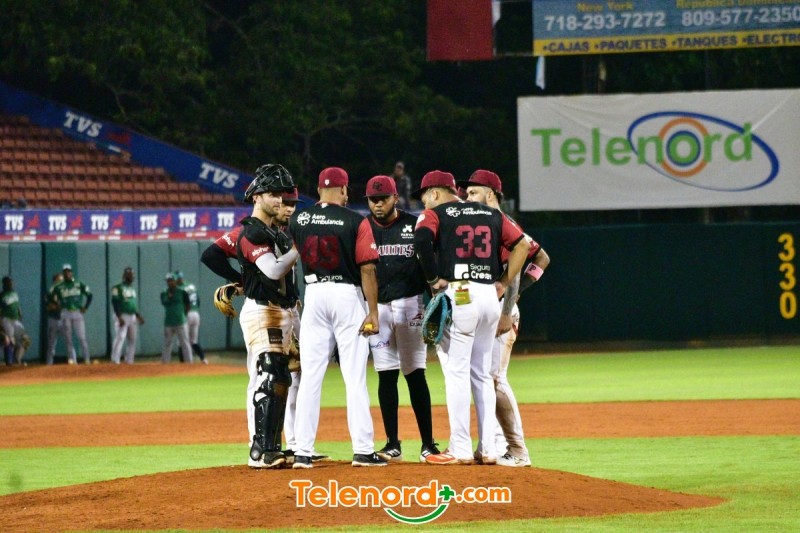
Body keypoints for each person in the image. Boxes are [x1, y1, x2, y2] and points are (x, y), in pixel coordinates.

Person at [412, 170, 530, 465]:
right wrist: (503, 281)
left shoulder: (435, 213)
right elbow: (523, 245)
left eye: (425, 196)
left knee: (456, 373)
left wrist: (433, 279)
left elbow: (422, 240)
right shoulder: (491, 213)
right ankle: (488, 448)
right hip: (489, 296)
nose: (424, 202)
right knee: (482, 374)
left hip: (460, 292)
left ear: (435, 193)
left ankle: (460, 448)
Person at [288, 166, 386, 469]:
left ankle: (302, 451)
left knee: (310, 377)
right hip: (346, 295)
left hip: (314, 294)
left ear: (319, 190)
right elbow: (368, 269)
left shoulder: (298, 219)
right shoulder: (356, 220)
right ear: (343, 190)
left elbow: (295, 257)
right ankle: (363, 450)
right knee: (354, 377)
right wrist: (373, 312)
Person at [461, 170, 550, 467]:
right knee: (484, 378)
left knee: (495, 378)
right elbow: (541, 258)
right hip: (489, 308)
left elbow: (526, 265)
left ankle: (518, 450)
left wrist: (509, 305)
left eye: (473, 192)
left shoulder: (501, 223)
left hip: (501, 312)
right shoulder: (488, 223)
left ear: (490, 194)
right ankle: (496, 445)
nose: (467, 198)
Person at [364, 175, 440, 462]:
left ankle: (428, 444)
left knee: (415, 373)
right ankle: (392, 444)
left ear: (395, 198)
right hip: (378, 308)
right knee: (386, 375)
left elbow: (429, 263)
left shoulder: (414, 224)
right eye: (373, 199)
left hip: (411, 304)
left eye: (383, 198)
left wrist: (435, 298)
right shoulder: (364, 228)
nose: (378, 204)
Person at [235, 164, 301, 469]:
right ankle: (259, 450)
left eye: (281, 194)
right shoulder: (252, 231)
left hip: (280, 310)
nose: (280, 199)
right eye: (273, 194)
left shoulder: (274, 231)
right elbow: (273, 270)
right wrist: (299, 248)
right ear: (257, 196)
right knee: (268, 376)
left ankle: (272, 447)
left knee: (280, 377)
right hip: (263, 310)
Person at [50, 264, 93, 364]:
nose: (67, 273)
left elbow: (90, 295)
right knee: (68, 338)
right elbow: (49, 295)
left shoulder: (79, 284)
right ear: (63, 273)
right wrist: (57, 304)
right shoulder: (59, 286)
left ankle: (87, 359)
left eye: (68, 271)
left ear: (71, 273)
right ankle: (73, 360)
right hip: (65, 312)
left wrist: (85, 307)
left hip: (77, 312)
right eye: (65, 272)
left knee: (81, 337)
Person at [110, 267, 145, 364]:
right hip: (122, 315)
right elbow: (115, 302)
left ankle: (129, 360)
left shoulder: (132, 289)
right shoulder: (117, 287)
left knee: (132, 339)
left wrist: (138, 315)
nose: (132, 276)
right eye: (129, 274)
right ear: (124, 276)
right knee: (120, 337)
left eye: (132, 275)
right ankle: (115, 359)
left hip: (132, 316)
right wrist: (119, 317)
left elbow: (133, 304)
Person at [174, 270, 207, 364]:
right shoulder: (191, 286)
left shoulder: (179, 288)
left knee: (181, 341)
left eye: (176, 279)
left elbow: (184, 303)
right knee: (193, 341)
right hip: (196, 314)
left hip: (186, 314)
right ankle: (203, 359)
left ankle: (183, 363)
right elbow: (198, 300)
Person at [160, 273, 193, 364]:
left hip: (180, 321)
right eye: (168, 281)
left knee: (185, 343)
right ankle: (165, 363)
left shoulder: (182, 292)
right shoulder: (164, 293)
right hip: (168, 322)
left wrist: (183, 315)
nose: (169, 283)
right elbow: (163, 302)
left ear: (175, 281)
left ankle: (189, 363)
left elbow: (188, 305)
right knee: (167, 343)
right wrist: (169, 297)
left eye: (171, 280)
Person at [44, 273, 76, 365]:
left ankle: (74, 362)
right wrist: (58, 306)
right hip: (53, 319)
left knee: (69, 342)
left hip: (64, 320)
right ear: (54, 282)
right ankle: (48, 365)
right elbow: (48, 307)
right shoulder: (50, 293)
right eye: (59, 280)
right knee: (51, 344)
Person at [1, 276, 30, 365]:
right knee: (9, 340)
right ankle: (9, 363)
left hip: (16, 319)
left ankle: (17, 359)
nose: (11, 284)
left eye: (11, 282)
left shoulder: (14, 293)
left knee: (26, 339)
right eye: (9, 282)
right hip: (6, 319)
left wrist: (20, 313)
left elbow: (17, 305)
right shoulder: (1, 295)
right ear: (4, 284)